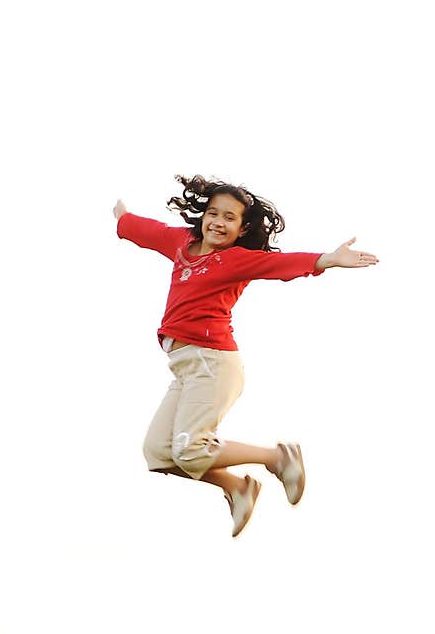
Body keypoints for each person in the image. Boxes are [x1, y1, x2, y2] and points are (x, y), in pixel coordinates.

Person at [113, 174, 379, 537]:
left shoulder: (236, 260)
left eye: (229, 218)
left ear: (241, 229)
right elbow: (150, 231)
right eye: (213, 213)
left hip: (214, 363)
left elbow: (280, 265)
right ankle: (237, 488)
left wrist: (327, 259)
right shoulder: (182, 243)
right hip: (187, 369)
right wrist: (123, 217)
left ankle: (277, 458)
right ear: (202, 215)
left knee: (190, 449)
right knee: (159, 453)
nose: (218, 223)